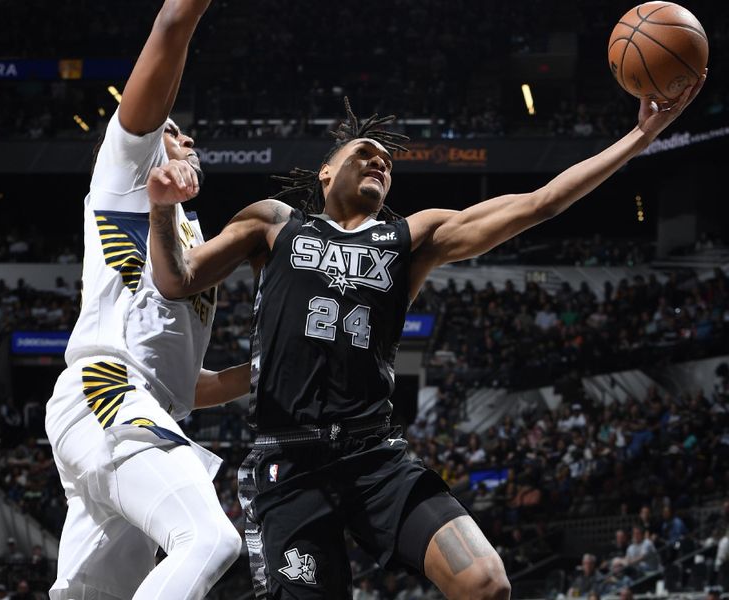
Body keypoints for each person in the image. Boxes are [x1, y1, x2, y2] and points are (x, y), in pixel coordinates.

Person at [147, 66, 705, 599]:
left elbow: (540, 203)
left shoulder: (412, 238)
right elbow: (177, 279)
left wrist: (640, 134)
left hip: (374, 457)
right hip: (289, 463)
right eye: (364, 153)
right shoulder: (274, 223)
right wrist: (159, 208)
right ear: (324, 172)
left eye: (388, 162)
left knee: (487, 583)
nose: (380, 162)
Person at [44, 1, 244, 598]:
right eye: (174, 132)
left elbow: (185, 382)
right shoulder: (125, 174)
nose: (188, 138)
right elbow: (171, 27)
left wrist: (269, 369)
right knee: (210, 539)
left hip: (139, 405)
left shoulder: (186, 236)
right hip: (109, 393)